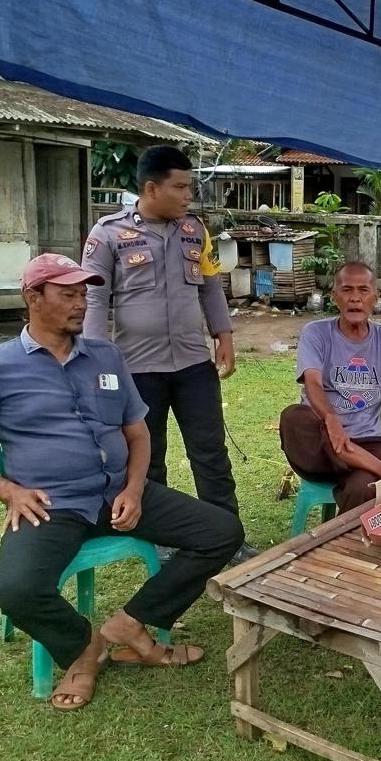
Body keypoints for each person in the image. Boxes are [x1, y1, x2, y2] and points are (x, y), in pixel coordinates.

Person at [0, 253, 244, 711]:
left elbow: (138, 434)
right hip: (50, 505)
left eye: (83, 294)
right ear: (33, 298)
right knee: (17, 591)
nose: (81, 304)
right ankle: (84, 650)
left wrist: (135, 489)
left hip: (117, 493)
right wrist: (9, 491)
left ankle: (131, 623)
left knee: (222, 531)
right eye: (67, 295)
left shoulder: (105, 356)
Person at [82, 145, 257, 562]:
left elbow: (211, 287)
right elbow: (94, 300)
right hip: (137, 370)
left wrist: (224, 335)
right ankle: (158, 538)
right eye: (180, 187)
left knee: (210, 452)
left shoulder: (195, 230)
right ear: (151, 188)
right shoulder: (107, 234)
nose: (188, 195)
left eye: (189, 187)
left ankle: (228, 536)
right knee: (148, 456)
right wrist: (93, 358)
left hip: (194, 364)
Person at [280, 261, 381, 512]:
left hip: (368, 443)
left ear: (375, 297)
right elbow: (313, 383)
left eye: (363, 290)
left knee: (363, 489)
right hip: (319, 441)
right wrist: (331, 420)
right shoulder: (316, 333)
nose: (355, 298)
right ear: (334, 296)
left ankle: (356, 463)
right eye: (347, 290)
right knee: (293, 417)